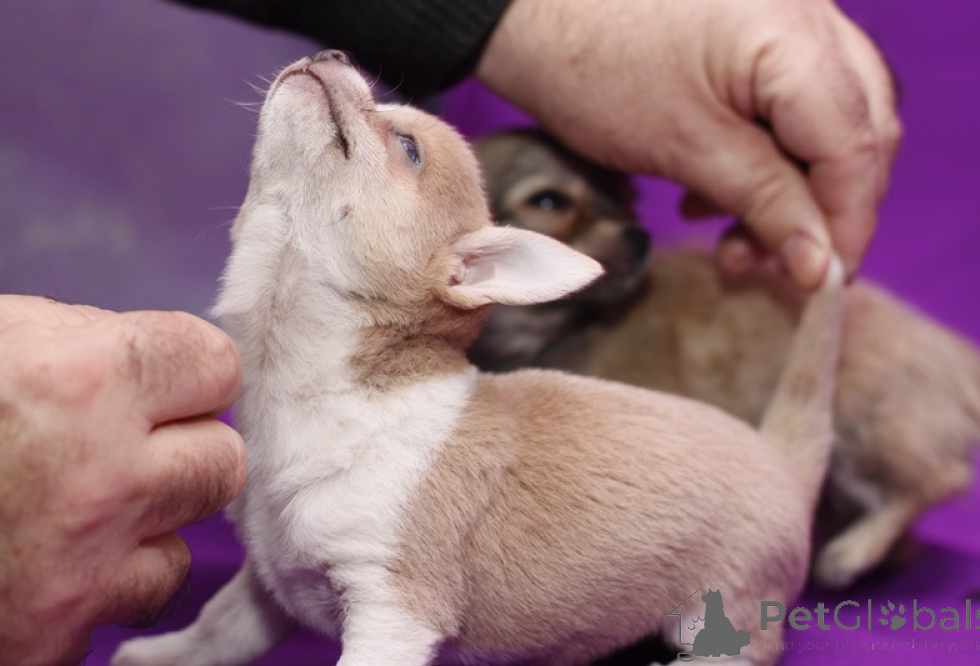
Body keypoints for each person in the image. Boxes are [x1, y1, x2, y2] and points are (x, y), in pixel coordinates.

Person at [0, 0, 899, 662]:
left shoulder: (398, 467)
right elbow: (282, 574)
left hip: (740, 528)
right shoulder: (299, 449)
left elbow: (394, 621)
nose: (350, 80)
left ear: (466, 271)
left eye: (405, 148)